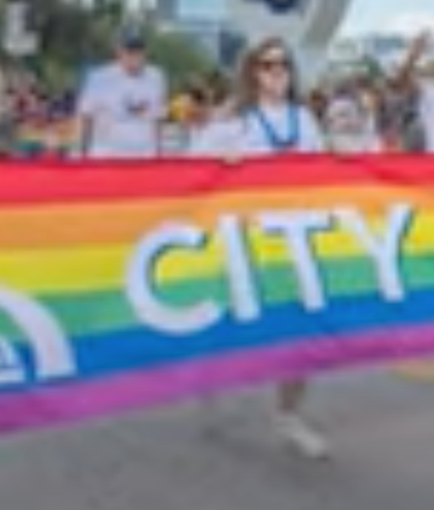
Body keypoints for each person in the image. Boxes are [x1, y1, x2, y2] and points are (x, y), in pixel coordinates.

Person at [191, 38, 329, 459]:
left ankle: (289, 418)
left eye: (284, 65)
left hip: (294, 241)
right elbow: (194, 167)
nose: (278, 72)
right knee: (236, 328)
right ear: (253, 71)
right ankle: (209, 372)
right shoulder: (234, 121)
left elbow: (321, 172)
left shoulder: (304, 119)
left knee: (301, 333)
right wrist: (223, 162)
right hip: (245, 243)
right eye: (268, 65)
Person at [76, 31, 167, 159]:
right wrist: (82, 153)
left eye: (138, 51)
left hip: (143, 154)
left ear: (145, 53)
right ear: (119, 53)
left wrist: (159, 153)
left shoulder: (156, 77)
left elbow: (158, 118)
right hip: (108, 155)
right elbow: (86, 117)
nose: (134, 56)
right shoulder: (99, 78)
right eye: (129, 51)